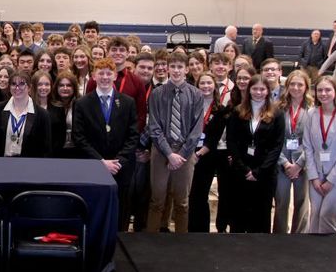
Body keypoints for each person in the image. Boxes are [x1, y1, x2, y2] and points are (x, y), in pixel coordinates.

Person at [72, 57, 139, 231]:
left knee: (121, 209)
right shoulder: (81, 103)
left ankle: (121, 240)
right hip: (93, 167)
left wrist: (118, 161)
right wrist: (101, 162)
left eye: (109, 73)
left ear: (115, 76)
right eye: (100, 73)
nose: (105, 77)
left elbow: (133, 135)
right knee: (95, 208)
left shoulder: (127, 102)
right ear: (93, 76)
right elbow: (79, 138)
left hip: (120, 167)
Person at [147, 52, 204, 233]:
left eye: (180, 67)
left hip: (185, 153)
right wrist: (169, 154)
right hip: (161, 151)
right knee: (157, 200)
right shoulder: (157, 93)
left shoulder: (195, 94)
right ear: (167, 69)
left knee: (182, 202)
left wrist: (181, 155)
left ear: (187, 69)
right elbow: (154, 126)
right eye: (173, 67)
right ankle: (151, 240)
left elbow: (196, 130)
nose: (176, 70)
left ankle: (182, 242)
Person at [226, 74, 285, 233]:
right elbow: (231, 141)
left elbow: (277, 146)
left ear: (268, 91)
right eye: (255, 89)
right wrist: (244, 169)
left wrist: (260, 171)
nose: (258, 92)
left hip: (265, 173)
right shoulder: (238, 111)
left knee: (261, 215)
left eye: (262, 89)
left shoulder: (277, 114)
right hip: (241, 171)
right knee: (239, 215)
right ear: (249, 90)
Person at [303, 76, 336, 234]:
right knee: (315, 215)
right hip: (316, 175)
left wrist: (331, 180)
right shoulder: (311, 113)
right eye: (320, 90)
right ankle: (313, 255)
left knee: (328, 215)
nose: (323, 93)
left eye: (328, 90)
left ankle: (331, 255)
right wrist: (314, 177)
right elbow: (307, 147)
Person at [187, 72, 229, 233]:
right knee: (191, 194)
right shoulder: (191, 106)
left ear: (214, 86)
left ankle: (202, 231)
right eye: (202, 83)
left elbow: (214, 138)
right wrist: (190, 153)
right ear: (197, 86)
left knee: (201, 194)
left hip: (208, 156)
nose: (205, 86)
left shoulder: (221, 110)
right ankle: (190, 228)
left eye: (209, 83)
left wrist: (198, 155)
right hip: (189, 153)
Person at [273, 70, 313, 234]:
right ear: (287, 86)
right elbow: (274, 139)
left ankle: (300, 235)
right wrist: (285, 163)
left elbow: (312, 141)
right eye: (292, 84)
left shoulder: (312, 109)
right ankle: (280, 235)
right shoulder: (278, 108)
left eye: (300, 85)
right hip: (282, 161)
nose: (296, 88)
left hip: (303, 163)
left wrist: (299, 164)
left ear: (306, 87)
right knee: (281, 200)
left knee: (301, 201)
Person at [0, 71, 51, 158]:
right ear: (9, 87)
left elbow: (45, 148)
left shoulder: (42, 114)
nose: (17, 88)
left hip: (29, 166)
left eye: (21, 84)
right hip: (1, 163)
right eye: (13, 84)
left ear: (29, 87)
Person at [48, 71, 80, 158]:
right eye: (61, 85)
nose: (65, 88)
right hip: (55, 152)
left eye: (69, 85)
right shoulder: (50, 104)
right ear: (56, 87)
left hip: (76, 151)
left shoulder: (81, 105)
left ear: (74, 87)